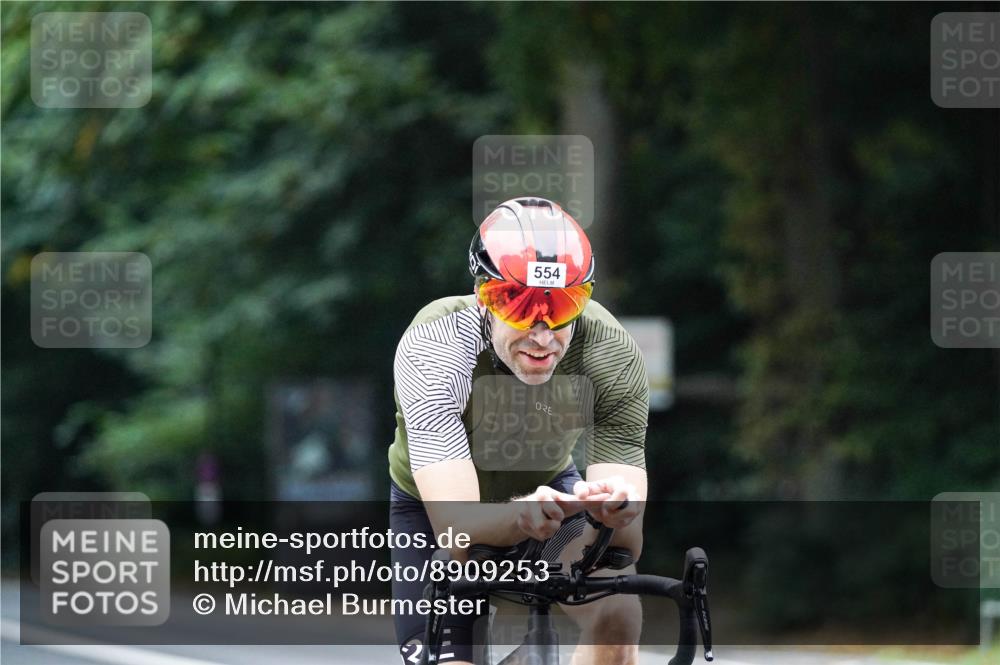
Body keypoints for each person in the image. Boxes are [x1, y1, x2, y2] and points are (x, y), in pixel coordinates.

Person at [388, 197, 649, 665]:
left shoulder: (610, 351)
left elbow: (625, 549)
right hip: (438, 517)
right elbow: (459, 531)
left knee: (618, 615)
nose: (543, 334)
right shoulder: (436, 342)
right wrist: (521, 516)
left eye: (563, 304)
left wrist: (610, 512)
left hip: (551, 495)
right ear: (484, 293)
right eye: (519, 303)